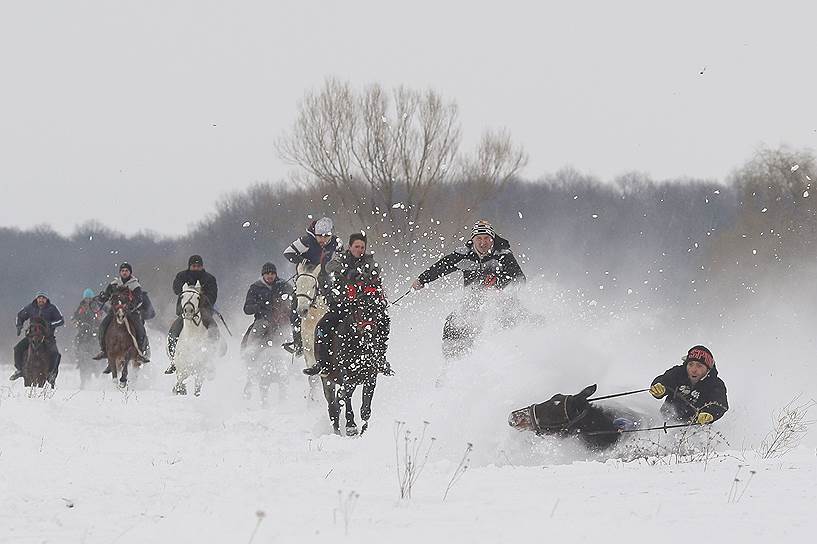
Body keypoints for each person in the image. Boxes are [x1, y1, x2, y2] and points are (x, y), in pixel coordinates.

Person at [303, 232, 392, 376]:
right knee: (322, 326)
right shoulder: (340, 260)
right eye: (356, 246)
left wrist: (363, 277)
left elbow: (376, 270)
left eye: (362, 247)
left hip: (364, 306)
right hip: (343, 305)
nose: (359, 250)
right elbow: (329, 267)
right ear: (350, 247)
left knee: (384, 321)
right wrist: (346, 272)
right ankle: (322, 363)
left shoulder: (370, 262)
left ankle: (380, 358)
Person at [282, 217, 342, 356]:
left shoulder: (336, 242)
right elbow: (288, 253)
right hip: (306, 274)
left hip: (325, 275)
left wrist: (335, 267)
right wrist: (302, 259)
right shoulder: (306, 241)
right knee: (296, 307)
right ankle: (298, 342)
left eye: (326, 236)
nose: (323, 239)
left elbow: (341, 257)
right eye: (320, 236)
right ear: (314, 234)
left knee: (335, 299)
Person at [411, 220, 526, 291]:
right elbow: (441, 267)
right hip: (472, 303)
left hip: (501, 301)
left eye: (486, 238)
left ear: (492, 239)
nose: (482, 243)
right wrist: (422, 280)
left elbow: (520, 278)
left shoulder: (503, 255)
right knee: (451, 325)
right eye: (479, 238)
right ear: (473, 239)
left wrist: (498, 281)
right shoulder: (463, 255)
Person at [165, 255, 219, 374]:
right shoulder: (181, 276)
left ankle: (212, 356)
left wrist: (203, 298)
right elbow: (176, 290)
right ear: (189, 266)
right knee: (173, 332)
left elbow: (213, 296)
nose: (196, 268)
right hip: (185, 311)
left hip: (203, 310)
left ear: (202, 266)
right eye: (194, 266)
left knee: (213, 329)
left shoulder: (209, 279)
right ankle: (174, 360)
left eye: (198, 266)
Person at [650, 345, 729, 424]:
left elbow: (720, 404)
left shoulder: (715, 384)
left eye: (699, 366)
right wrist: (659, 388)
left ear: (707, 369)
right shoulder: (678, 373)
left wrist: (710, 414)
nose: (693, 370)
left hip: (694, 429)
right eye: (691, 364)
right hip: (663, 422)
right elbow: (662, 381)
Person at [93, 262, 151, 365]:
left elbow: (139, 299)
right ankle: (104, 350)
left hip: (131, 312)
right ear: (120, 272)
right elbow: (106, 295)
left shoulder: (135, 285)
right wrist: (102, 297)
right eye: (122, 271)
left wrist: (131, 307)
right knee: (103, 326)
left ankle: (140, 352)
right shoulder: (114, 284)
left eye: (126, 271)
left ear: (130, 272)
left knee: (140, 330)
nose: (124, 273)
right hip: (115, 311)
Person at [10, 291, 64, 383]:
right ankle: (19, 370)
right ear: (36, 299)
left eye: (43, 298)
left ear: (46, 299)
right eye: (39, 298)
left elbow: (61, 320)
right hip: (31, 337)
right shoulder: (30, 307)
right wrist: (19, 326)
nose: (41, 300)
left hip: (48, 337)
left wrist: (50, 324)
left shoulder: (52, 308)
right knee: (17, 349)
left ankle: (51, 374)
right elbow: (19, 316)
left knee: (56, 354)